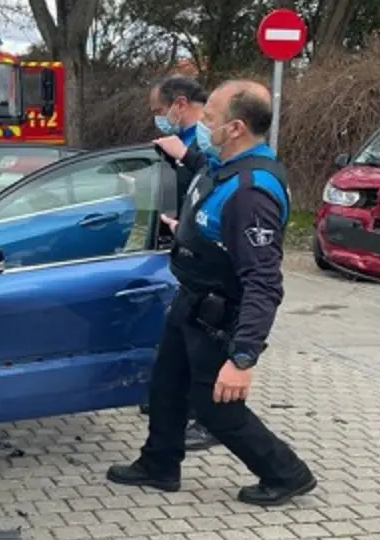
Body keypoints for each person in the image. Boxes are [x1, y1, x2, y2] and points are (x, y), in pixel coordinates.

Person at [107, 79, 316, 507]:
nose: (201, 123)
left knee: (215, 406)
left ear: (235, 127)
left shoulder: (251, 192)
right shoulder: (223, 165)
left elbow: (263, 282)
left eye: (209, 118)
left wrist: (243, 358)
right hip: (191, 300)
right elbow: (210, 201)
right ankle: (159, 464)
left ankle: (286, 473)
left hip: (219, 316)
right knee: (166, 387)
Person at [150, 75, 219, 453]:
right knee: (183, 335)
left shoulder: (206, 141)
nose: (158, 118)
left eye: (160, 110)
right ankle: (178, 404)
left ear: (179, 103)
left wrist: (188, 157)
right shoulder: (179, 141)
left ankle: (210, 419)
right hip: (183, 246)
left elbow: (215, 181)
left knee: (207, 340)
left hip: (209, 256)